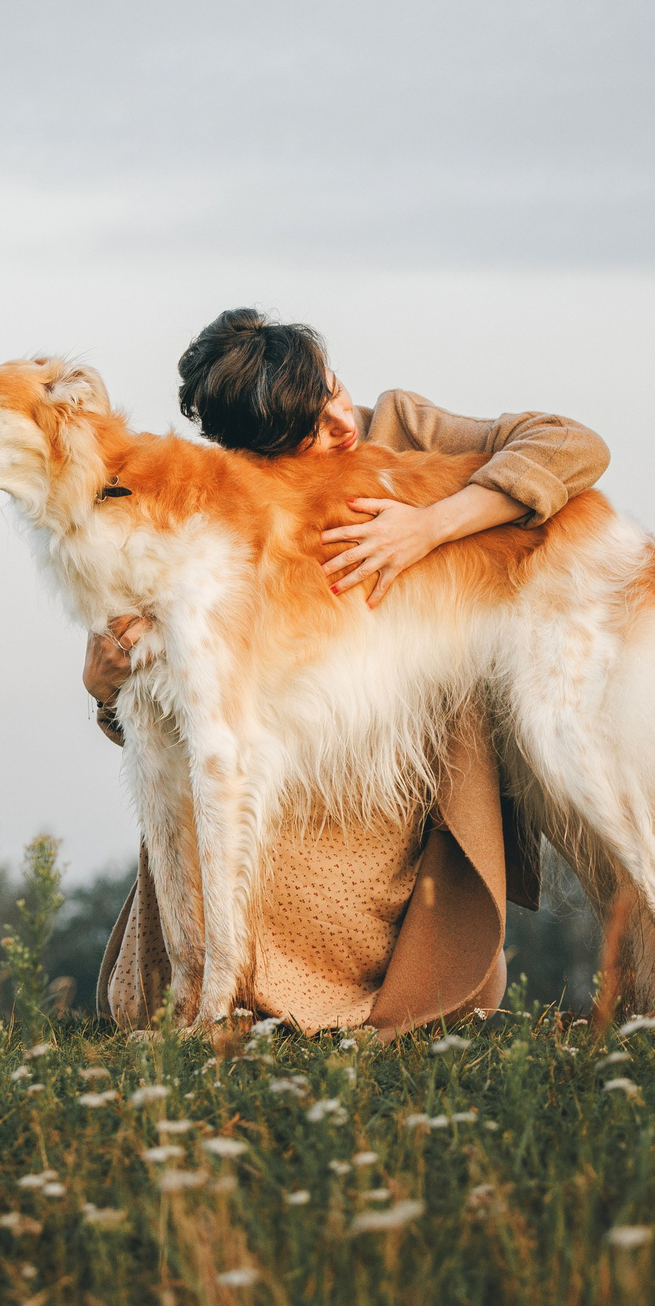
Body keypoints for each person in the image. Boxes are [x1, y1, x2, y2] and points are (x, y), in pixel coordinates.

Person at [83, 308, 608, 1032]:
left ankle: (358, 997)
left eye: (332, 390)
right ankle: (222, 993)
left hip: (401, 757)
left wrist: (429, 525)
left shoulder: (400, 427)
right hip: (284, 751)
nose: (341, 423)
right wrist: (104, 689)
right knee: (222, 800)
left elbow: (575, 446)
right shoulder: (222, 499)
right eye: (312, 429)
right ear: (259, 450)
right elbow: (175, 715)